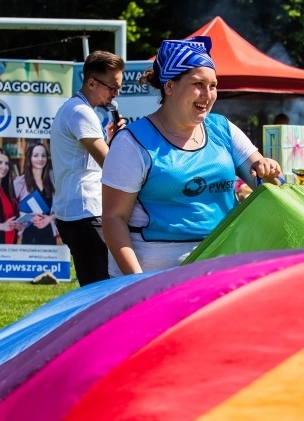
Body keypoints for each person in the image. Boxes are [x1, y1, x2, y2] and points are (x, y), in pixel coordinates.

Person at [101, 36, 282, 277]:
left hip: (222, 266)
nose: (208, 95)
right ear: (169, 86)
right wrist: (136, 282)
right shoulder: (132, 142)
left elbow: (269, 189)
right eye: (198, 84)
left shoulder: (222, 129)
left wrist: (268, 172)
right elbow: (114, 218)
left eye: (213, 85)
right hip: (156, 274)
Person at [51, 51, 125, 286]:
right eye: (112, 88)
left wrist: (112, 140)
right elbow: (110, 165)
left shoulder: (75, 109)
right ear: (92, 82)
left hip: (77, 212)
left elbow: (97, 159)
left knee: (96, 288)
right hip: (85, 213)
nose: (116, 94)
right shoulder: (81, 113)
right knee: (99, 292)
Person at [14, 142, 58, 245]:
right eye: (36, 155)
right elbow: (12, 209)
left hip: (49, 232)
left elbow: (62, 204)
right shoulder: (20, 182)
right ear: (29, 158)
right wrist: (29, 217)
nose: (40, 159)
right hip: (30, 232)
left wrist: (49, 219)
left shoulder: (53, 178)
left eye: (43, 155)